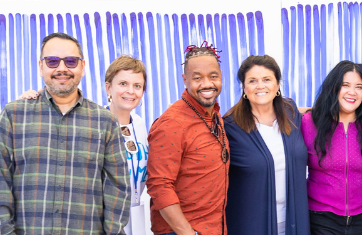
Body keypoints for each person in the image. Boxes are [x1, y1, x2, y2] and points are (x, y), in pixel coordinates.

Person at [0, 32, 130, 234]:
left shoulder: (105, 121)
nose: (62, 68)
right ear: (41, 66)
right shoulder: (14, 115)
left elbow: (118, 187)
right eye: (52, 61)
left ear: (83, 67)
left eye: (70, 61)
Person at [17, 55, 153, 234]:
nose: (131, 91)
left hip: (140, 219)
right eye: (123, 84)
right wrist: (30, 104)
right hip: (101, 219)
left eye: (137, 86)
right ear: (108, 87)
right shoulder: (93, 122)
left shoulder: (141, 124)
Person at [147, 41, 230, 235]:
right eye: (197, 78)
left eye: (213, 76)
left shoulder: (215, 117)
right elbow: (159, 187)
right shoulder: (171, 124)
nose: (207, 84)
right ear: (185, 79)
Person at [224, 55, 311, 235]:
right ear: (244, 87)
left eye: (266, 79)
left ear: (277, 85)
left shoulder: (291, 113)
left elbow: (313, 113)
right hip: (250, 224)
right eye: (253, 81)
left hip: (293, 221)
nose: (260, 86)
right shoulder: (230, 127)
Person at [301, 60, 362, 235]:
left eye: (359, 87)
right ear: (334, 88)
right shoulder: (309, 122)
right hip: (320, 217)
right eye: (345, 85)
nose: (352, 92)